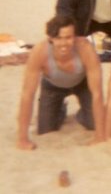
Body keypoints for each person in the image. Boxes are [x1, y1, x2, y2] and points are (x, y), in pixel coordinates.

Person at [17, 15, 105, 150]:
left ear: (74, 36)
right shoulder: (39, 51)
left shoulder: (85, 48)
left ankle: (82, 113)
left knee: (93, 124)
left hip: (82, 84)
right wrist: (22, 138)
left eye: (68, 37)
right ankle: (61, 108)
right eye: (58, 38)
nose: (64, 43)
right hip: (53, 86)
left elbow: (97, 93)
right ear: (50, 38)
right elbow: (27, 94)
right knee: (46, 129)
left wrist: (100, 136)